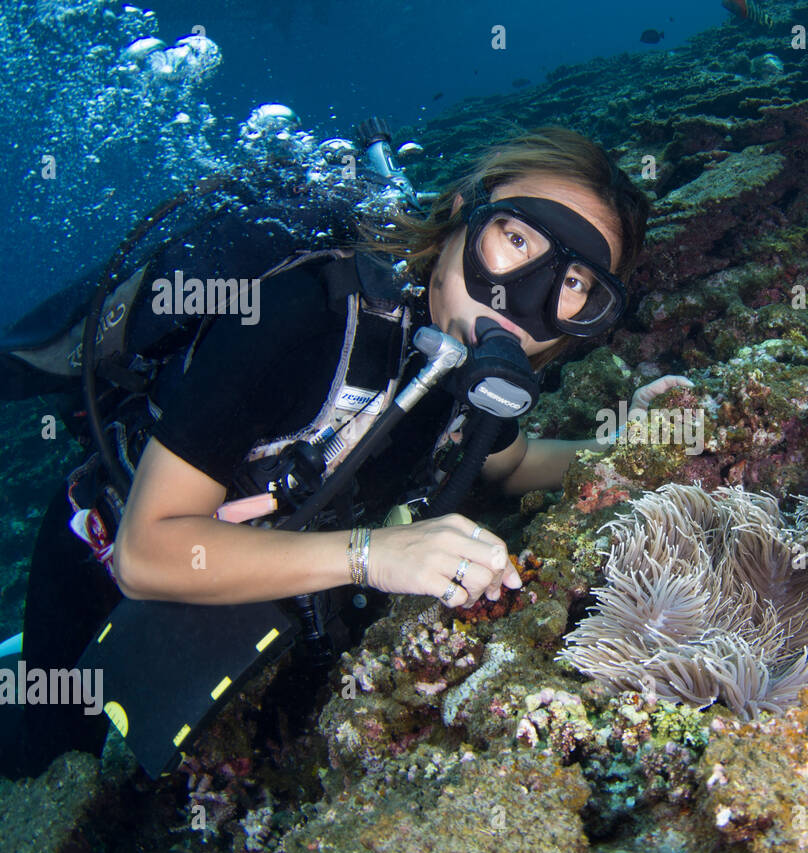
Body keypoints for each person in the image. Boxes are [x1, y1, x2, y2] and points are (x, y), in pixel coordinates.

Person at [1, 126, 687, 778]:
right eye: (516, 237)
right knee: (56, 768)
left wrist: (631, 445)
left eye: (574, 285)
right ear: (458, 216)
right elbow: (144, 551)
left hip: (249, 626)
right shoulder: (304, 317)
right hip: (100, 571)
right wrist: (370, 555)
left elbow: (508, 462)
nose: (526, 299)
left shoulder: (471, 372)